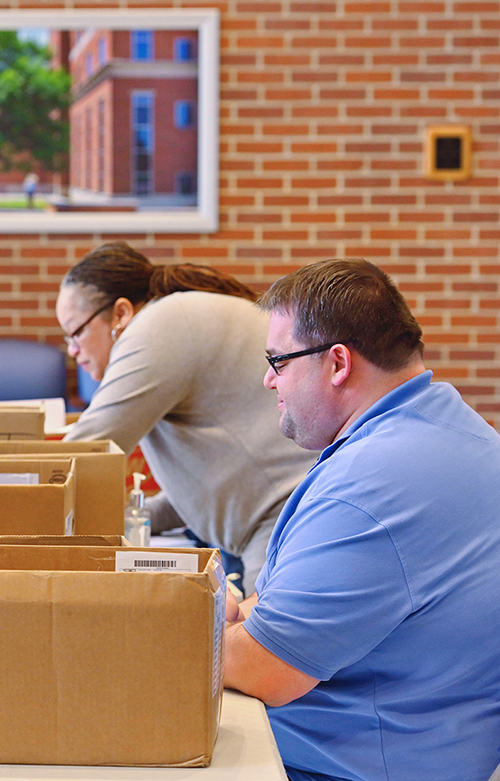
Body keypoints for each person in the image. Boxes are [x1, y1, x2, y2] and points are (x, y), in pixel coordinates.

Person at [224, 258, 500, 780]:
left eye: (277, 361)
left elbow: (265, 669)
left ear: (337, 364)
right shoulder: (461, 432)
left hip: (346, 766)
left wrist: (187, 625)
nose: (267, 380)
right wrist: (238, 616)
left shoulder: (372, 485)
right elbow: (303, 600)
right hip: (432, 744)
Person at [58, 241, 315, 596]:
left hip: (283, 521)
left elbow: (86, 451)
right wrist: (136, 515)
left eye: (75, 332)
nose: (72, 351)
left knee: (255, 648)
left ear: (120, 314)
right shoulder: (178, 314)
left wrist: (9, 503)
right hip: (285, 515)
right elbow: (209, 478)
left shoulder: (159, 325)